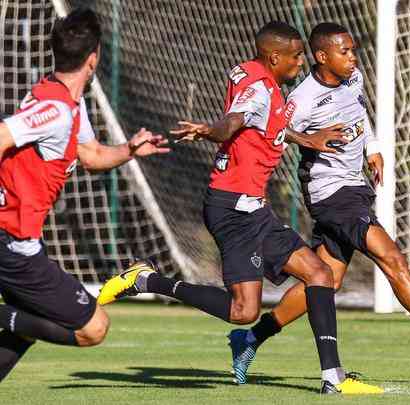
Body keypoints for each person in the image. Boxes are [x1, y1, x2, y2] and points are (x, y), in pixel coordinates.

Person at [97, 21, 382, 395]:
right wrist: (211, 130)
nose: (301, 63)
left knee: (319, 275)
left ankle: (333, 377)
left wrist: (304, 138)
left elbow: (267, 126)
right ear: (274, 57)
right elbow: (234, 120)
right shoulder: (260, 89)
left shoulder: (267, 84)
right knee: (242, 312)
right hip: (232, 211)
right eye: (296, 57)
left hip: (255, 210)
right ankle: (146, 280)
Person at [227, 22, 410, 385]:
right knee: (392, 258)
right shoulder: (301, 99)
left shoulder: (353, 79)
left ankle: (250, 338)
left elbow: (360, 114)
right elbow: (271, 129)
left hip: (355, 188)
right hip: (331, 194)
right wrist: (307, 139)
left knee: (324, 282)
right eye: (344, 52)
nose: (353, 57)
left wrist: (373, 149)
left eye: (352, 50)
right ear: (322, 57)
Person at [0, 8, 170, 382]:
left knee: (27, 327)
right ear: (93, 59)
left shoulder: (64, 101)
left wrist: (129, 149)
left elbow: (91, 155)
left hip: (18, 240)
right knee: (92, 328)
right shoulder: (54, 109)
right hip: (12, 243)